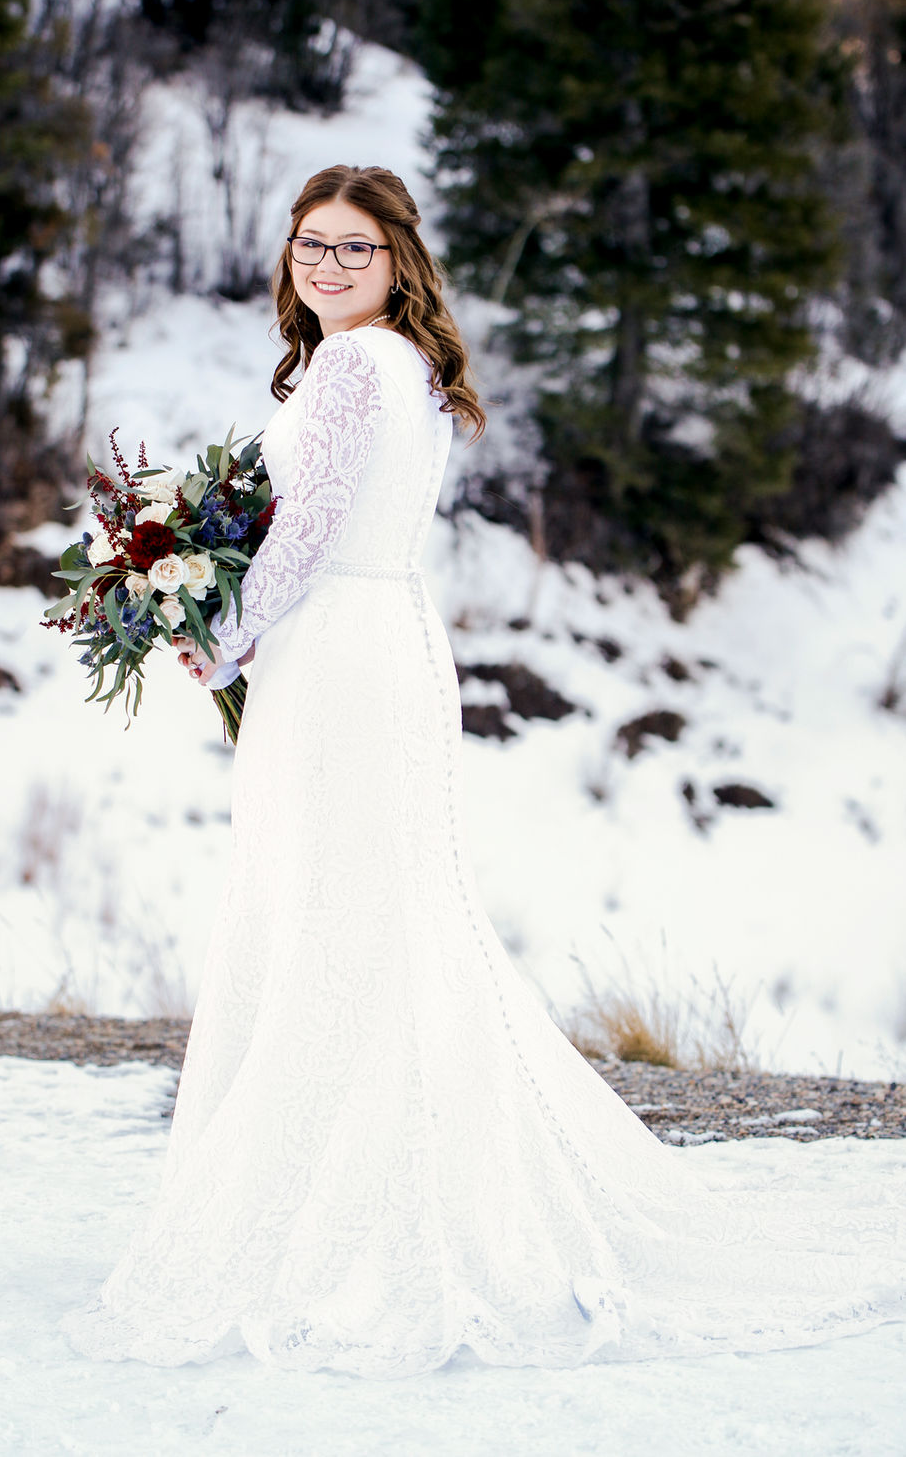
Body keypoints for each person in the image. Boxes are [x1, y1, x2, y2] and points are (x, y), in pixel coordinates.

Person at [58, 165, 905, 1377]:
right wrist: (198, 588)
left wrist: (220, 628)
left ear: (400, 260)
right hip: (357, 646)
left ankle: (357, 1215)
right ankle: (353, 1180)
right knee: (356, 916)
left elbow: (308, 527)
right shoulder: (380, 363)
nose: (329, 266)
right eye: (311, 244)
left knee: (341, 921)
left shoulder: (356, 367)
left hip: (341, 654)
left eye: (356, 248)